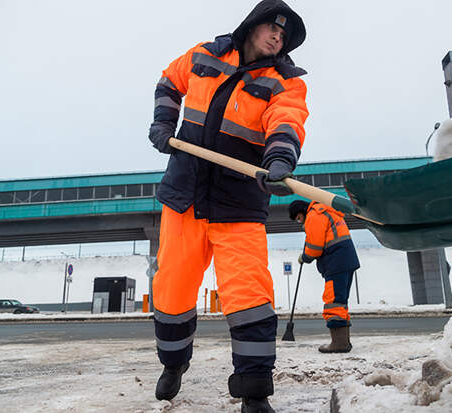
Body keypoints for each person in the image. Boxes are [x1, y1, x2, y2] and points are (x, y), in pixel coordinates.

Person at [148, 1, 308, 411]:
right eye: (273, 28)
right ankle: (173, 363)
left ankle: (254, 393)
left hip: (238, 202)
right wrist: (164, 124)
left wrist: (279, 161)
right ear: (253, 26)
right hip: (183, 195)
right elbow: (169, 82)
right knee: (172, 289)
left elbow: (287, 122)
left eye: (285, 36)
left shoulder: (285, 83)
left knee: (250, 296)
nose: (278, 37)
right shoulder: (206, 54)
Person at [288, 200, 360, 353]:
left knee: (333, 302)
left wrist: (305, 257)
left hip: (336, 262)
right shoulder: (326, 212)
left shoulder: (314, 216)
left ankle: (339, 344)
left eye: (298, 219)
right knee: (340, 302)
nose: (300, 222)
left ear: (301, 213)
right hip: (346, 260)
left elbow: (315, 247)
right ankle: (344, 342)